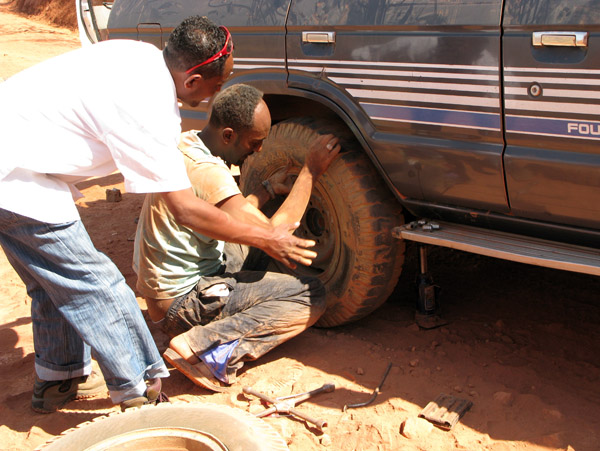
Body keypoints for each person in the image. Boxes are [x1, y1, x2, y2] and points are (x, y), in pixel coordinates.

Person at [0, 16, 317, 413]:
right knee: (97, 284)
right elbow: (184, 208)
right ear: (192, 79)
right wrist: (269, 238)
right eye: (218, 83)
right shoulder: (151, 108)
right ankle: (140, 393)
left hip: (20, 161)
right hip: (13, 174)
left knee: (53, 281)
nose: (219, 91)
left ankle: (58, 380)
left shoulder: (138, 56)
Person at [133, 84, 341, 390]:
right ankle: (202, 348)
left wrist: (264, 191)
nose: (258, 150)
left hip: (171, 290)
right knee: (311, 294)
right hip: (181, 305)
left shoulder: (187, 144)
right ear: (228, 135)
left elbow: (225, 217)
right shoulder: (208, 171)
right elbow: (277, 233)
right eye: (254, 142)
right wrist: (310, 171)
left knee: (254, 243)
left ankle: (207, 329)